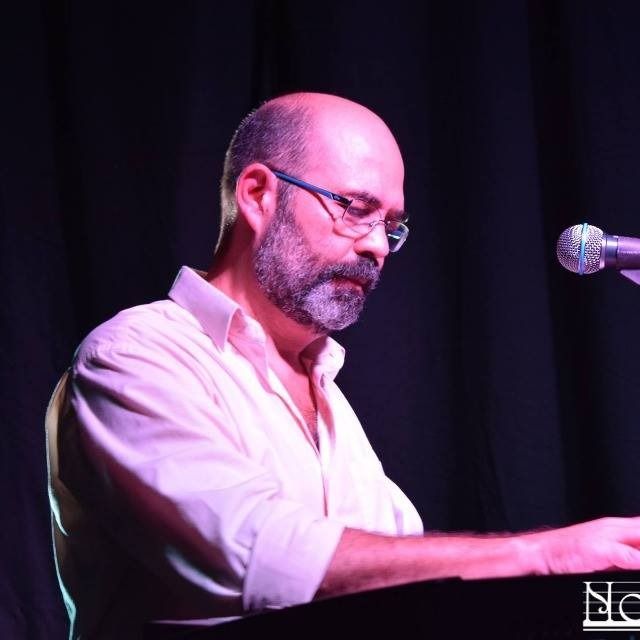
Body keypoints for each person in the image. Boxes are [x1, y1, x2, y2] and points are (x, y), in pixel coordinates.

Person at [47, 92, 640, 639]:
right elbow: (257, 557)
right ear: (258, 195)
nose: (378, 246)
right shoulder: (134, 356)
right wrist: (541, 555)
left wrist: (604, 602)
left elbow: (410, 588)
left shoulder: (326, 392)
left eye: (392, 226)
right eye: (355, 208)